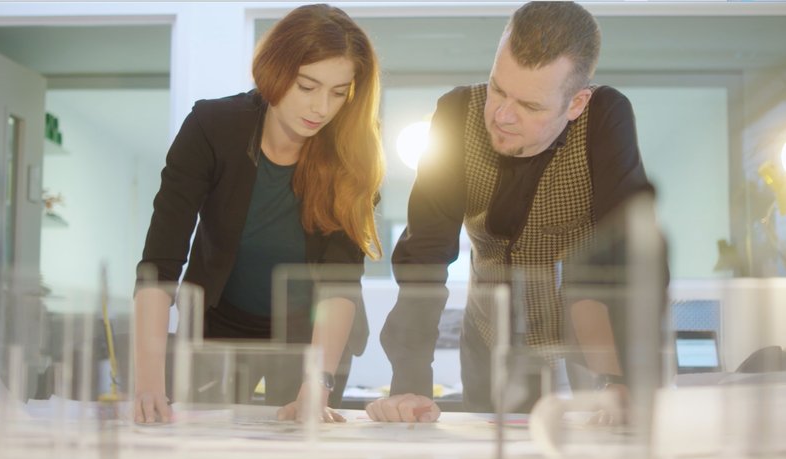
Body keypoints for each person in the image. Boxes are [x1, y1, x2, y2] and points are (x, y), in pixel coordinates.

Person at [367, 1, 659, 423]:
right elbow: (425, 254)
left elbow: (627, 250)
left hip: (582, 346)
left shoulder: (604, 117)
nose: (502, 116)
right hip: (487, 339)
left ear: (575, 103)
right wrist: (409, 383)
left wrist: (622, 375)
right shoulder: (455, 114)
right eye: (498, 89)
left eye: (531, 106)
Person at [133, 4, 383, 424]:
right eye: (307, 85)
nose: (321, 108)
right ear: (275, 70)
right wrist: (148, 382)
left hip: (311, 339)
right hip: (218, 324)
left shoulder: (351, 155)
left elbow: (340, 285)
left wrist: (317, 384)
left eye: (338, 92)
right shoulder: (213, 127)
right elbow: (159, 264)